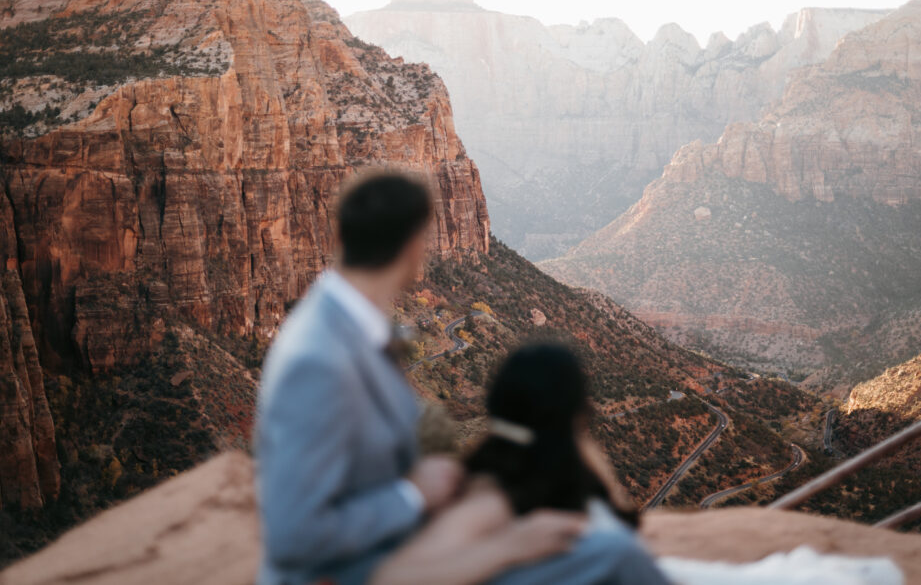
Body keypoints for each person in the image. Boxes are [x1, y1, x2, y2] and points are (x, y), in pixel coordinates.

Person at [255, 174, 583, 585]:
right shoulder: (316, 357)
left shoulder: (354, 325)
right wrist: (412, 496)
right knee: (595, 552)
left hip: (391, 550)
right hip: (357, 571)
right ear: (413, 246)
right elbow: (294, 537)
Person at [370, 344, 672, 585]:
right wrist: (509, 547)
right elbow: (391, 579)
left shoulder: (565, 465)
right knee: (620, 553)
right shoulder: (494, 496)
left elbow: (619, 513)